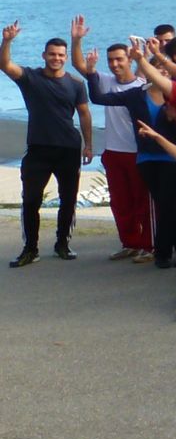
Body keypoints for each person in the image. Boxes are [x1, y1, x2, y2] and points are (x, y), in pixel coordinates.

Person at [3, 22, 94, 266]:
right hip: (38, 149)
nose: (56, 58)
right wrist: (8, 41)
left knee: (68, 199)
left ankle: (62, 243)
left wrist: (88, 145)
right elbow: (5, 65)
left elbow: (84, 114)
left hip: (68, 148)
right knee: (31, 200)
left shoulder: (76, 84)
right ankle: (30, 249)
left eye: (61, 55)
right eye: (52, 54)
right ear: (44, 55)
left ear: (65, 58)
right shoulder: (30, 77)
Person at [68, 26, 151, 262]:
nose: (115, 64)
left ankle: (148, 245)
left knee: (141, 201)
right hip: (113, 152)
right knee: (120, 202)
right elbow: (79, 65)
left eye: (119, 59)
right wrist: (76, 40)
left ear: (129, 60)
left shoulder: (142, 85)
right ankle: (130, 243)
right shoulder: (104, 81)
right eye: (111, 60)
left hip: (137, 152)